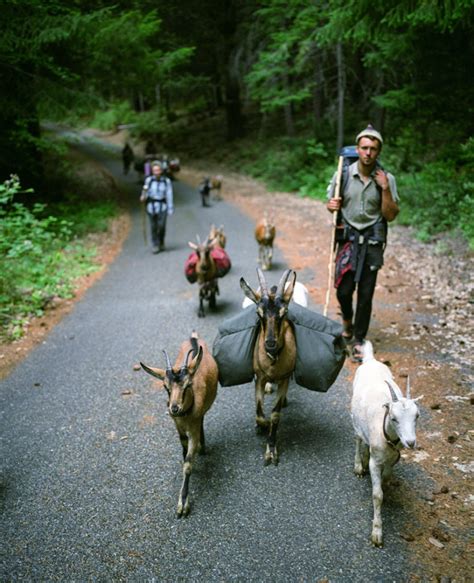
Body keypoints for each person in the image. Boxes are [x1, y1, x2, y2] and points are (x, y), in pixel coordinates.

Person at [326, 124, 399, 362]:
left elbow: (390, 215)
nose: (368, 153)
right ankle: (347, 319)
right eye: (364, 148)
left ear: (378, 152)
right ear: (357, 149)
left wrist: (385, 189)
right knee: (344, 289)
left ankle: (358, 339)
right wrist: (331, 206)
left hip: (372, 241)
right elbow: (331, 203)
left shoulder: (386, 179)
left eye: (373, 149)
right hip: (347, 238)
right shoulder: (343, 174)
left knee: (366, 294)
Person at [140, 160, 174, 254]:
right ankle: (155, 244)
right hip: (151, 207)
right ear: (152, 171)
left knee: (162, 226)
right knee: (153, 226)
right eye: (155, 170)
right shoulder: (149, 180)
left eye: (158, 170)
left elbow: (169, 194)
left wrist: (170, 208)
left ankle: (161, 242)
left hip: (162, 207)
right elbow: (145, 191)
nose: (157, 172)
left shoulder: (166, 181)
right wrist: (143, 197)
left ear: (161, 171)